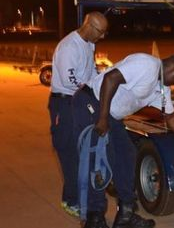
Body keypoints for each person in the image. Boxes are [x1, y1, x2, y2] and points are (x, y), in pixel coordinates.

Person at [72, 53, 174, 228]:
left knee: (127, 155)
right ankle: (94, 217)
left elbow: (171, 117)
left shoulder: (162, 88)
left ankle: (125, 214)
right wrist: (102, 118)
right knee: (99, 160)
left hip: (111, 115)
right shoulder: (146, 64)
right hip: (93, 102)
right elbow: (110, 79)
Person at [48, 11, 109, 218]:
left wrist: (99, 88)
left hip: (78, 101)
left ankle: (81, 196)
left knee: (82, 150)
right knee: (68, 151)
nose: (102, 37)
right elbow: (69, 79)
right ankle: (70, 200)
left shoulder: (89, 44)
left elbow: (91, 71)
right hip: (64, 103)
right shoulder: (69, 46)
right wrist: (87, 92)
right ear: (90, 26)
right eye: (100, 32)